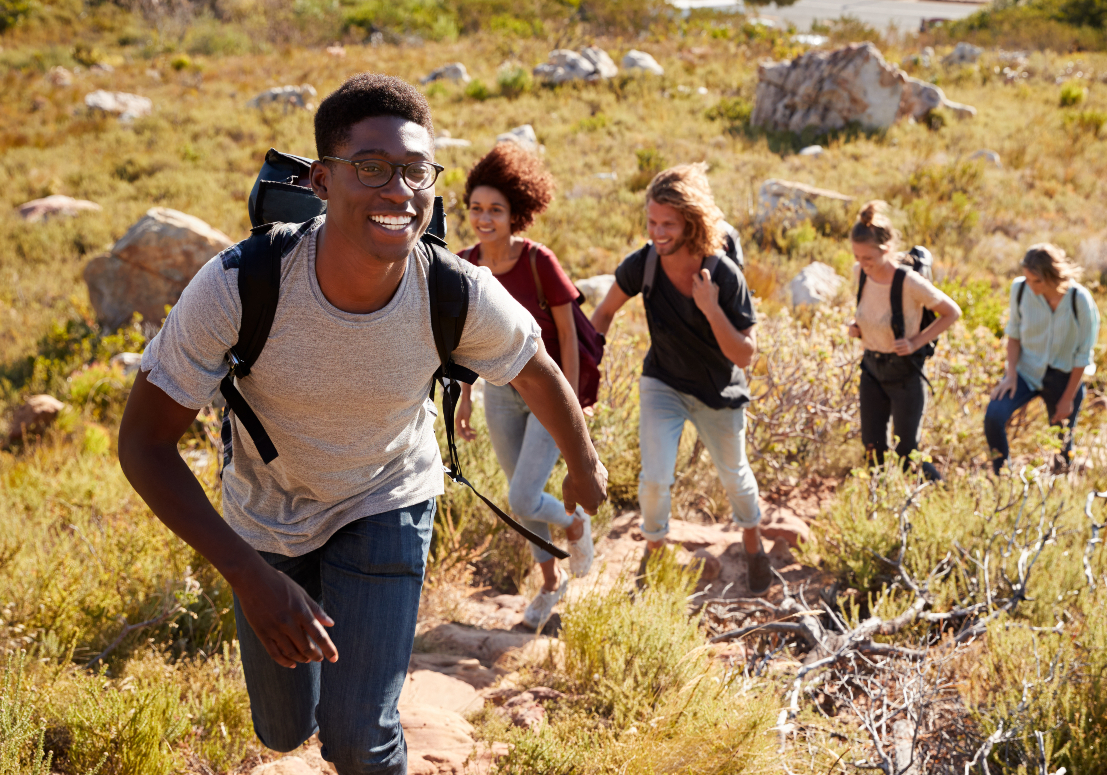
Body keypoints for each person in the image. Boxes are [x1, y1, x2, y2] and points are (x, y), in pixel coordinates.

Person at [116, 73, 608, 775]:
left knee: (358, 738)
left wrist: (583, 464)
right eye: (371, 168)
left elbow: (534, 366)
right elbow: (142, 443)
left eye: (415, 171)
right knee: (284, 728)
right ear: (321, 179)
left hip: (387, 496)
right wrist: (249, 576)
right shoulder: (239, 284)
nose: (399, 191)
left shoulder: (453, 289)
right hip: (267, 518)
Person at [590, 163, 772, 594]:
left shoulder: (724, 274)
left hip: (718, 392)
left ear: (691, 222)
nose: (657, 232)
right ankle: (653, 554)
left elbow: (745, 356)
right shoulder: (645, 264)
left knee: (735, 475)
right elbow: (604, 313)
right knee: (654, 478)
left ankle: (752, 542)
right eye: (652, 222)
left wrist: (710, 308)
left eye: (668, 224)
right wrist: (584, 368)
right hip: (664, 383)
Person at [455, 142, 594, 629]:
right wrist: (464, 397)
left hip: (546, 393)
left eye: (496, 210)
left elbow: (571, 342)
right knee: (523, 493)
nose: (484, 218)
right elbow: (462, 341)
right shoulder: (464, 265)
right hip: (498, 392)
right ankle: (551, 585)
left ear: (517, 213)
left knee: (522, 498)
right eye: (476, 208)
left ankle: (576, 524)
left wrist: (572, 403)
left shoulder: (539, 262)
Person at [847, 201, 961, 482]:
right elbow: (871, 311)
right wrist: (858, 328)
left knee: (907, 452)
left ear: (886, 250)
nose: (863, 264)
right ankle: (877, 508)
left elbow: (951, 312)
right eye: (858, 257)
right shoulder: (859, 273)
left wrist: (916, 341)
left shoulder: (909, 282)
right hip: (871, 369)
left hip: (904, 374)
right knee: (872, 450)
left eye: (868, 258)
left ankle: (941, 495)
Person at [985, 243, 1099, 474]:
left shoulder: (1080, 300)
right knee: (994, 416)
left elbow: (1083, 355)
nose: (1029, 285)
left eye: (1036, 280)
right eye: (1026, 278)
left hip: (1065, 378)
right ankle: (1002, 476)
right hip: (1027, 372)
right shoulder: (1019, 289)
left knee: (1062, 446)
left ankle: (1060, 490)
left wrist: (1067, 398)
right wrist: (1010, 375)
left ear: (1053, 276)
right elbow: (1014, 335)